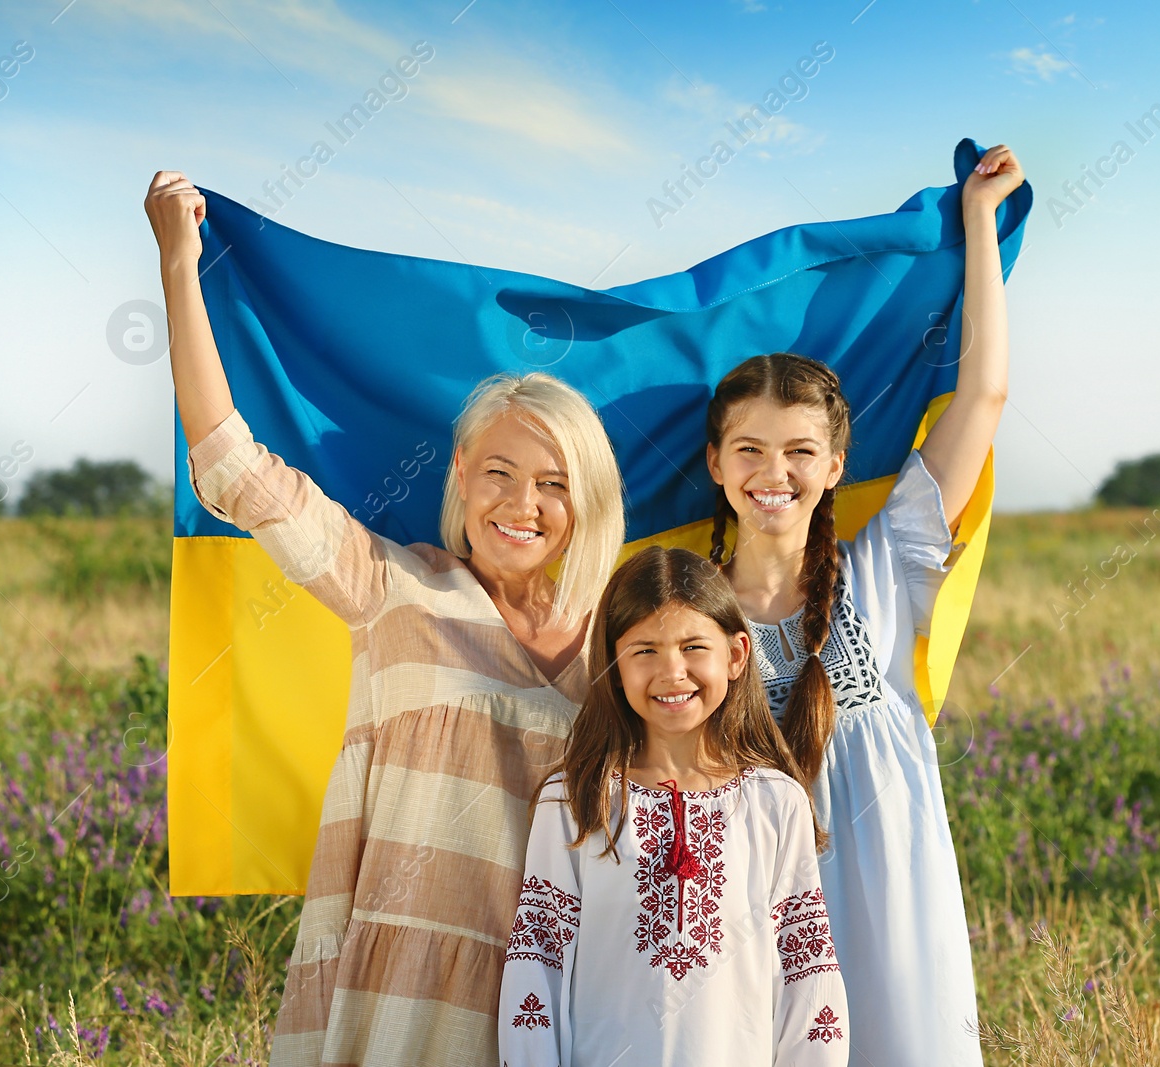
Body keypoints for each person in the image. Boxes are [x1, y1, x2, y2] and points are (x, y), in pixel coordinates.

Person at [144, 171, 626, 1067]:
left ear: (587, 502)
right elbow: (226, 465)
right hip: (391, 1002)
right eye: (500, 472)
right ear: (458, 478)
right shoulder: (394, 587)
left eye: (555, 483)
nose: (523, 503)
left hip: (555, 1008)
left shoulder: (623, 642)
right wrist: (179, 259)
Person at [702, 144, 1024, 1065]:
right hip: (751, 926)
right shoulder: (690, 618)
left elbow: (985, 395)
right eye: (751, 451)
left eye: (801, 450)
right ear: (718, 465)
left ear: (836, 467)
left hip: (894, 920)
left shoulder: (883, 566)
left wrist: (978, 221)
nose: (776, 473)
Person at [498, 546, 849, 1066]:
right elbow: (537, 965)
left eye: (693, 647)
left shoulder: (776, 803)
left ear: (735, 656)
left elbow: (808, 973)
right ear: (614, 667)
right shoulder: (575, 802)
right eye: (644, 651)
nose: (672, 672)